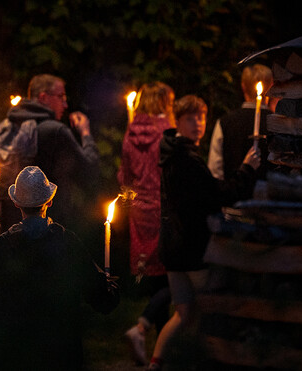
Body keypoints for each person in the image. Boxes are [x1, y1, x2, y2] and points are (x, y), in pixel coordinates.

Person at [146, 95, 259, 371]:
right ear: (177, 121)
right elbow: (218, 195)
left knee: (183, 313)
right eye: (190, 118)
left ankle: (155, 364)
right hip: (191, 248)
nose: (198, 123)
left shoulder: (172, 153)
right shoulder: (186, 159)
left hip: (173, 248)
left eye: (201, 117)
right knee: (207, 311)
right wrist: (247, 168)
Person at [0, 166, 119, 370]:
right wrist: (108, 286)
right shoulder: (66, 241)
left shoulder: (6, 245)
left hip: (19, 352)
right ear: (49, 201)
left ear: (15, 203)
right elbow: (98, 294)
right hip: (61, 351)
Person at [0, 74, 99, 233]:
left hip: (11, 228)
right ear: (43, 97)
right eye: (61, 96)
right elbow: (89, 171)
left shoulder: (4, 127)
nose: (65, 104)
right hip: (49, 230)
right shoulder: (56, 131)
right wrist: (85, 134)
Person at [117, 82, 176, 366]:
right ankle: (145, 331)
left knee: (156, 279)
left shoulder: (130, 133)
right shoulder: (167, 132)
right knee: (173, 278)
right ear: (164, 102)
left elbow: (123, 177)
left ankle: (157, 353)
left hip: (139, 211)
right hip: (164, 209)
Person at [206, 63, 273, 181]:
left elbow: (215, 170)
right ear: (271, 88)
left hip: (233, 196)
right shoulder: (278, 124)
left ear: (243, 87)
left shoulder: (225, 122)